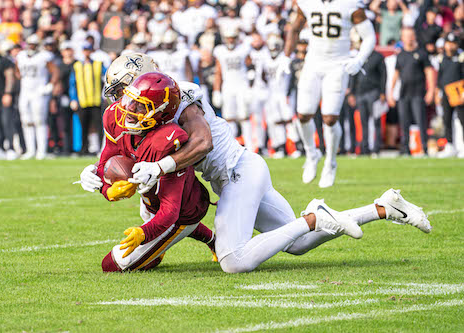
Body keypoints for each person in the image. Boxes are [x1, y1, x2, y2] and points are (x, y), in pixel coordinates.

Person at [78, 53, 431, 274]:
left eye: (124, 90)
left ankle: (315, 214)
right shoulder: (148, 105)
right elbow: (123, 149)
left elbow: (203, 141)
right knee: (297, 243)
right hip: (242, 170)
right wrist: (96, 172)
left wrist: (160, 167)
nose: (124, 101)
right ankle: (383, 207)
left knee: (234, 261)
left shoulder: (177, 97)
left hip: (237, 174)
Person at [98, 73, 215, 272]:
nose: (129, 109)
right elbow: (104, 162)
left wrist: (145, 233)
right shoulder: (118, 118)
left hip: (181, 214)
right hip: (151, 201)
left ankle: (177, 241)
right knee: (151, 220)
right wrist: (106, 190)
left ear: (161, 111)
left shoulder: (169, 140)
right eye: (129, 100)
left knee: (113, 264)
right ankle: (213, 240)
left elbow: (171, 211)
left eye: (140, 105)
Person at [283, 0, 376, 187]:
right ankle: (312, 153)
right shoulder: (307, 3)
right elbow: (294, 29)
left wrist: (359, 59)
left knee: (330, 118)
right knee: (303, 114)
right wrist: (285, 56)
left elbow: (370, 36)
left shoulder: (350, 4)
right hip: (313, 64)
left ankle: (330, 162)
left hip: (337, 65)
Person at [388, 27, 435, 156]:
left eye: (410, 35)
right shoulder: (401, 55)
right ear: (402, 38)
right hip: (404, 94)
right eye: (405, 36)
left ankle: (424, 148)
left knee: (421, 121)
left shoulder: (422, 53)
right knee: (404, 122)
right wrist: (391, 93)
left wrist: (431, 90)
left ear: (414, 36)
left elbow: (429, 72)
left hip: (418, 93)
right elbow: (395, 75)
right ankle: (405, 149)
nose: (408, 38)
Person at [16, 34, 60, 160]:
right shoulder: (21, 56)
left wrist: (50, 85)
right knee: (26, 121)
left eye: (34, 44)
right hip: (25, 92)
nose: (31, 47)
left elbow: (55, 71)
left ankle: (41, 151)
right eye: (30, 44)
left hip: (39, 92)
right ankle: (30, 150)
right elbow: (17, 71)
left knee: (39, 121)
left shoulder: (44, 56)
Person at [212, 26, 253, 152]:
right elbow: (218, 72)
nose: (230, 40)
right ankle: (232, 148)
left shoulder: (243, 49)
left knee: (244, 116)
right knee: (229, 117)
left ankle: (251, 147)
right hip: (228, 86)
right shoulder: (220, 51)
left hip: (242, 85)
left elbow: (251, 66)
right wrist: (216, 90)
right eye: (228, 38)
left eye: (233, 38)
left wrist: (251, 85)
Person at [69, 42, 106, 155]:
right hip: (83, 101)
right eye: (85, 50)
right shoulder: (77, 66)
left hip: (96, 100)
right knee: (83, 127)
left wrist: (104, 95)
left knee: (99, 126)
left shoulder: (98, 64)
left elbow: (107, 79)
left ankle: (100, 149)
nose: (86, 52)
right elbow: (72, 84)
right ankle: (83, 149)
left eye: (88, 49)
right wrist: (73, 99)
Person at [350, 48, 387, 155]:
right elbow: (354, 75)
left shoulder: (378, 57)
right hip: (360, 92)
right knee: (363, 122)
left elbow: (383, 75)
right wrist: (352, 92)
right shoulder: (359, 56)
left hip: (374, 92)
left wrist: (382, 92)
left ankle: (376, 147)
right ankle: (364, 148)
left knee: (376, 121)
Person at [436, 33, 464, 158]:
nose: (450, 46)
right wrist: (438, 92)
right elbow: (440, 76)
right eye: (448, 43)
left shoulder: (461, 57)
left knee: (462, 119)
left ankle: (462, 146)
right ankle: (450, 146)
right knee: (446, 120)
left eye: (453, 43)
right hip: (446, 93)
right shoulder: (442, 58)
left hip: (459, 92)